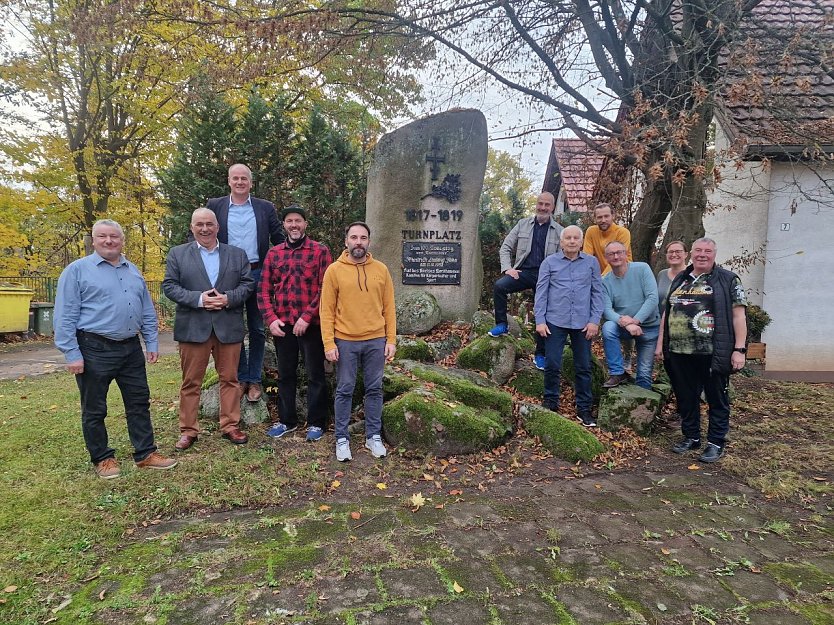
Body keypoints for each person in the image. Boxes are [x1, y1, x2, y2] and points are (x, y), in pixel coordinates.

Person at [54, 219, 177, 478]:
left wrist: (151, 341)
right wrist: (72, 353)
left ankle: (145, 454)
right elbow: (65, 314)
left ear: (122, 240)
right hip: (93, 347)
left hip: (130, 349)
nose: (109, 241)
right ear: (94, 240)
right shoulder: (76, 271)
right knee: (95, 408)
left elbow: (145, 308)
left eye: (114, 237)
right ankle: (103, 458)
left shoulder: (132, 270)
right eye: (102, 237)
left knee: (138, 402)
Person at [163, 208, 255, 450]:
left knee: (230, 379)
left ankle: (230, 425)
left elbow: (248, 285)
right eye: (199, 224)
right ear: (192, 227)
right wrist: (199, 299)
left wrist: (227, 298)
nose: (205, 228)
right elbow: (170, 286)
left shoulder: (237, 254)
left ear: (218, 226)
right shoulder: (178, 254)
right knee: (191, 381)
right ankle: (188, 430)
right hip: (193, 327)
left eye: (209, 224)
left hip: (228, 325)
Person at [657, 237, 748, 463]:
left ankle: (715, 443)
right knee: (686, 397)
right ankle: (691, 437)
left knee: (717, 398)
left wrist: (739, 349)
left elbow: (739, 316)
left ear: (714, 254)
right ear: (691, 254)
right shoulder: (681, 278)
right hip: (679, 351)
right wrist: (660, 343)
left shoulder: (728, 280)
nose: (702, 254)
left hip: (712, 352)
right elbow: (667, 313)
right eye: (698, 250)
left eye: (707, 251)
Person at [206, 164, 284, 402]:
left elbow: (279, 238)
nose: (240, 182)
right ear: (229, 181)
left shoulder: (264, 208)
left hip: (257, 272)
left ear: (251, 183)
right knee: (234, 328)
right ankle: (239, 377)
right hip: (227, 275)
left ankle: (255, 380)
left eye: (244, 179)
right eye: (235, 178)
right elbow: (202, 234)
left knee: (258, 329)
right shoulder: (215, 206)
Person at [320, 222, 397, 461]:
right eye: (354, 237)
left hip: (375, 339)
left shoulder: (381, 269)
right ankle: (342, 438)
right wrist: (329, 343)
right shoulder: (334, 270)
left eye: (363, 238)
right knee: (345, 389)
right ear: (346, 241)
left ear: (369, 242)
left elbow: (389, 308)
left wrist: (391, 339)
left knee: (374, 389)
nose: (358, 242)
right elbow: (326, 310)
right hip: (345, 340)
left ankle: (373, 436)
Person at [257, 205, 332, 442]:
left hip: (311, 325)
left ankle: (317, 423)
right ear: (284, 225)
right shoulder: (274, 254)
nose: (294, 225)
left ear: (305, 224)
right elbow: (263, 290)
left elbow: (326, 290)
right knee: (285, 375)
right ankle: (287, 421)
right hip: (283, 326)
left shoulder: (320, 251)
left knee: (315, 375)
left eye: (298, 221)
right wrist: (270, 319)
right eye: (289, 221)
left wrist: (307, 317)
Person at [534, 225, 604, 427]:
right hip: (555, 321)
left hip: (583, 323)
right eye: (568, 238)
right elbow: (542, 293)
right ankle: (550, 402)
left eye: (576, 238)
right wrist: (540, 320)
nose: (572, 241)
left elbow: (597, 294)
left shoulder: (591, 263)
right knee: (553, 363)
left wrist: (594, 321)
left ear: (581, 241)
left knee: (583, 366)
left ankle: (584, 409)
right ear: (561, 241)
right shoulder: (549, 263)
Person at [488, 192, 563, 370]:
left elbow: (563, 257)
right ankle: (502, 324)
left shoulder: (559, 231)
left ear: (552, 208)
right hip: (523, 272)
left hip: (546, 276)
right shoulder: (523, 224)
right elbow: (506, 247)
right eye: (540, 203)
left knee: (543, 313)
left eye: (547, 205)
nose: (543, 207)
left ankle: (540, 354)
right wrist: (508, 268)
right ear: (536, 204)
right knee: (500, 286)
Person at [600, 241, 660, 390]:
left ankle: (643, 408)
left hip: (649, 327)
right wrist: (624, 322)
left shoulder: (642, 269)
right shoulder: (605, 281)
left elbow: (652, 298)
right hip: (624, 327)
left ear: (626, 253)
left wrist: (635, 320)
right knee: (608, 327)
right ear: (606, 257)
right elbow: (606, 310)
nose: (616, 256)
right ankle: (617, 372)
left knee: (644, 375)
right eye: (611, 254)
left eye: (619, 252)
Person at [582, 203, 633, 274]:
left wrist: (602, 279)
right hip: (601, 277)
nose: (603, 220)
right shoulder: (591, 231)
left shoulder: (622, 232)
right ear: (595, 219)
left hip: (623, 274)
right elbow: (587, 258)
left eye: (606, 216)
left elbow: (618, 258)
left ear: (613, 216)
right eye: (599, 217)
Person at [656, 241, 688, 317]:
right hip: (662, 323)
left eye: (678, 252)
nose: (674, 255)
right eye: (670, 252)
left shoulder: (693, 275)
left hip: (685, 322)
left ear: (686, 254)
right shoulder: (662, 274)